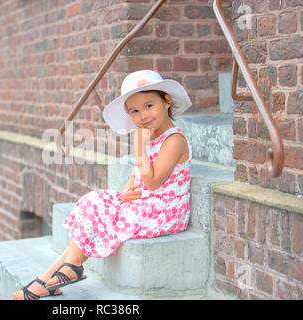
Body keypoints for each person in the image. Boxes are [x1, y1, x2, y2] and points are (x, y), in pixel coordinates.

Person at [13, 70, 192, 300]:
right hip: (147, 205)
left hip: (165, 213)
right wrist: (128, 188)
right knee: (94, 201)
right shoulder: (150, 136)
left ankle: (51, 277)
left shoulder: (174, 140)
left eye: (149, 105)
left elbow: (153, 182)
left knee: (99, 213)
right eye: (135, 111)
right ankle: (56, 275)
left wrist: (139, 147)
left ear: (166, 101)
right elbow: (139, 177)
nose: (143, 115)